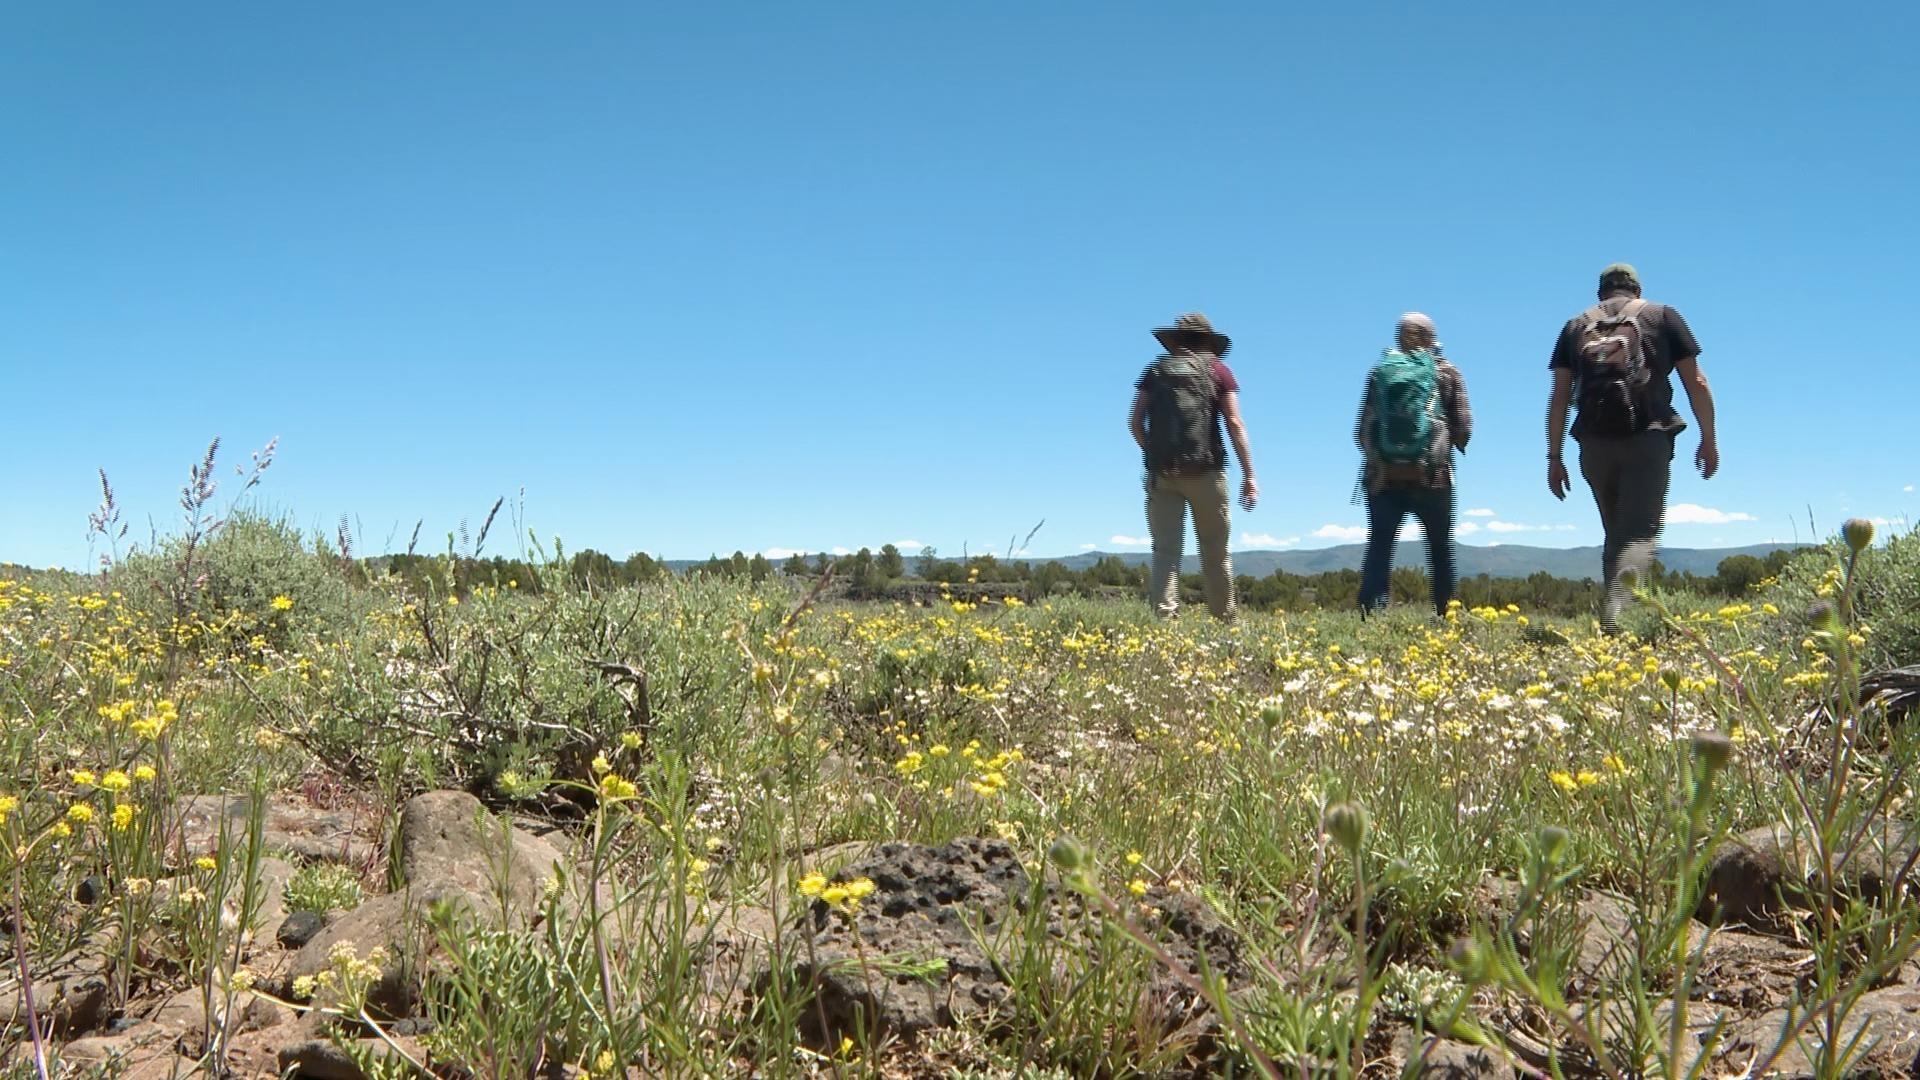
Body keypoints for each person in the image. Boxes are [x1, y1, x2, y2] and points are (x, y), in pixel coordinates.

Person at [1546, 263, 1719, 632]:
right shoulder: (1662, 316)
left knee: (1617, 536)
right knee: (1639, 536)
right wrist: (1708, 437)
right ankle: (1618, 625)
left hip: (1593, 445)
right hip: (1647, 437)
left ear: (1601, 293)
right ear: (1637, 290)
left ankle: (1621, 623)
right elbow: (1697, 382)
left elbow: (1559, 398)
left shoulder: (1575, 327)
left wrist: (1555, 456)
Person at [1129, 313, 1258, 620]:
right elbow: (1235, 424)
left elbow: (1134, 423)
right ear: (1207, 341)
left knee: (1165, 553)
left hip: (1163, 475)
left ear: (1175, 341)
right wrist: (1249, 474)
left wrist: (1155, 455)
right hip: (1207, 471)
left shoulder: (1154, 372)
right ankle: (1225, 622)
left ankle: (1165, 625)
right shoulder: (1219, 371)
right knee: (1214, 551)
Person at [1354, 313, 1474, 616]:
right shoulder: (1448, 372)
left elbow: (1361, 430)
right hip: (1434, 479)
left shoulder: (1380, 372)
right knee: (1440, 551)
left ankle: (1371, 616)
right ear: (1431, 338)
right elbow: (1463, 430)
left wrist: (1379, 463)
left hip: (1382, 478)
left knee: (1380, 547)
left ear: (1400, 337)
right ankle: (1447, 616)